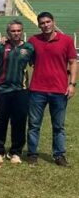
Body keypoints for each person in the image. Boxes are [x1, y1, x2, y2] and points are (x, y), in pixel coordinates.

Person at [26, 11, 77, 166]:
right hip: (37, 89)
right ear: (39, 25)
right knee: (34, 124)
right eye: (42, 23)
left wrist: (72, 84)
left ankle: (59, 155)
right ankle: (32, 154)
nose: (45, 25)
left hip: (59, 90)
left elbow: (73, 62)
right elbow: (23, 54)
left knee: (58, 126)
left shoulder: (66, 40)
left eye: (48, 22)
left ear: (53, 22)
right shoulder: (33, 40)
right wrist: (4, 42)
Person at [0, 19, 33, 164]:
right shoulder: (0, 47)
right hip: (2, 90)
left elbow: (38, 63)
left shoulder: (29, 48)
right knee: (0, 121)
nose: (16, 33)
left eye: (18, 30)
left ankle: (15, 152)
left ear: (22, 31)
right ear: (8, 33)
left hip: (21, 90)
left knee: (19, 121)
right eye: (13, 31)